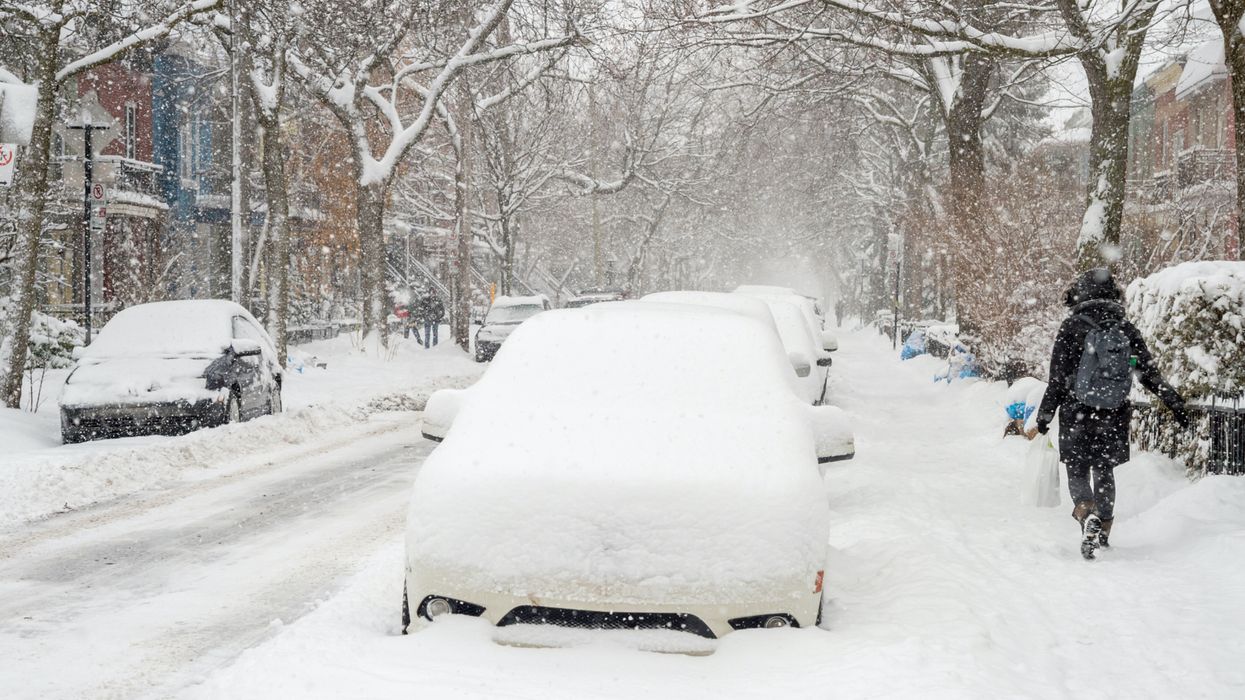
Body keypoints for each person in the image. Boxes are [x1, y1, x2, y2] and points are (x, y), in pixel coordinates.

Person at [1028, 268, 1189, 559]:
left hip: (1076, 411)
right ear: (1113, 295)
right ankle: (1102, 528)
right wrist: (1173, 401)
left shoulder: (1071, 327)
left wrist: (1044, 416)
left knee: (1077, 468)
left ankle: (1086, 513)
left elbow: (1057, 379)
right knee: (1104, 470)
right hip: (1113, 413)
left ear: (1081, 293)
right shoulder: (1125, 329)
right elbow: (1148, 374)